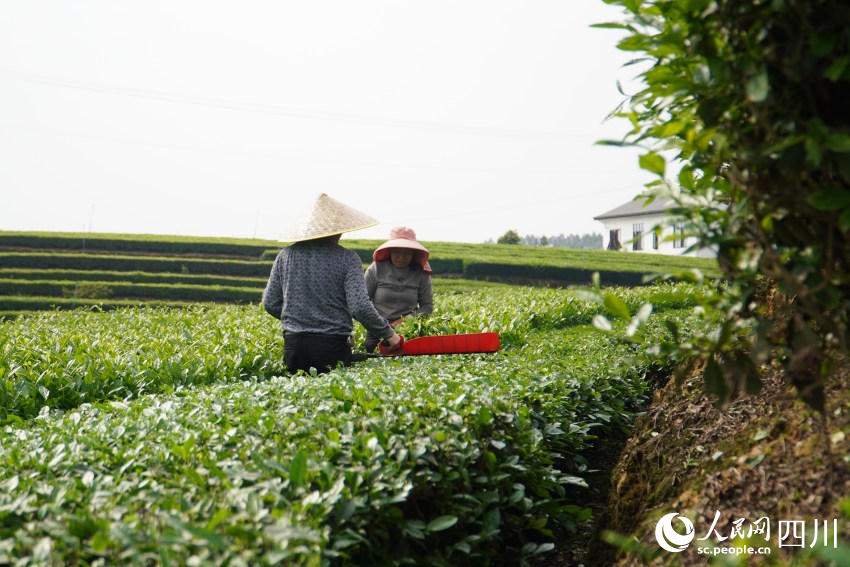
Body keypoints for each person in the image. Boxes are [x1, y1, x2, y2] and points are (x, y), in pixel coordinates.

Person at [262, 193, 402, 374]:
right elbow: (359, 306)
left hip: (294, 346)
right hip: (331, 346)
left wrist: (298, 320)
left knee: (296, 398)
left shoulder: (286, 255)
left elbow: (270, 303)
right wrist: (389, 334)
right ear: (338, 229)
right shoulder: (347, 258)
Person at [363, 226, 434, 353]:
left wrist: (401, 322)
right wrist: (381, 324)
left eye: (407, 252)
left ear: (413, 253)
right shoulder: (376, 269)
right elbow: (362, 300)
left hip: (408, 330)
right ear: (390, 251)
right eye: (397, 252)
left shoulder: (421, 273)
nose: (401, 257)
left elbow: (427, 306)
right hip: (376, 330)